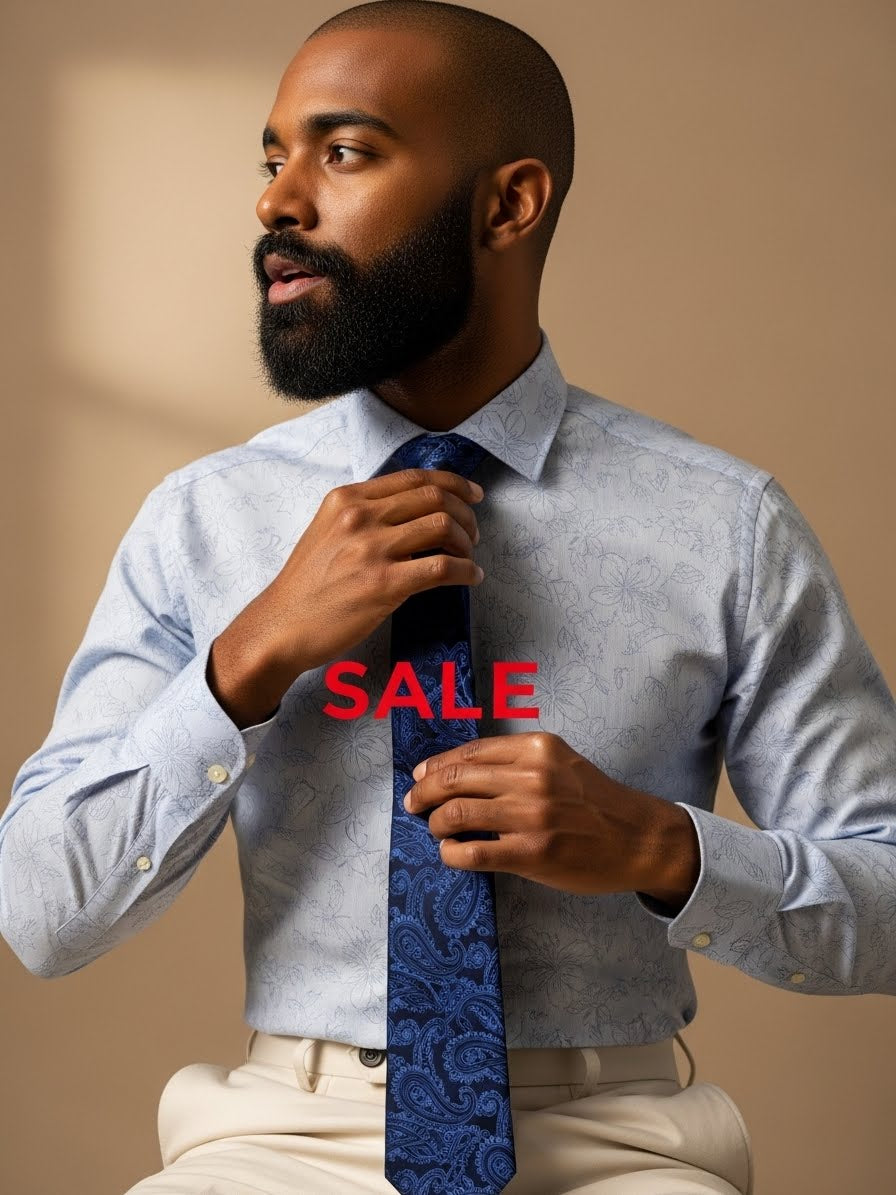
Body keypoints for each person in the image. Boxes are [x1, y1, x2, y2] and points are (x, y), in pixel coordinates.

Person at [2, 1, 894, 1192]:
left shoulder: (721, 523)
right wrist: (249, 657)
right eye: (273, 156)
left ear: (506, 203)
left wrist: (656, 846)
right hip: (279, 1137)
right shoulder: (203, 522)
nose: (277, 200)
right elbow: (42, 911)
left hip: (621, 1139)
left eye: (345, 150)